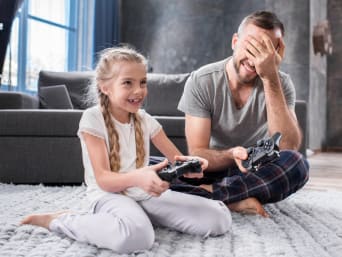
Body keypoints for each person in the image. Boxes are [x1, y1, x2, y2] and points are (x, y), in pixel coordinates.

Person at [20, 46, 232, 254]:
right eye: (128, 83)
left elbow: (176, 158)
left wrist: (191, 165)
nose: (138, 91)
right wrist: (138, 177)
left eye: (143, 82)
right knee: (137, 238)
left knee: (219, 219)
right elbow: (103, 180)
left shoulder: (145, 120)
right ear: (105, 87)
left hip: (143, 195)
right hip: (108, 195)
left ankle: (139, 216)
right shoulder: (93, 119)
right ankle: (60, 220)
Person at [176, 11, 309, 217]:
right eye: (252, 46)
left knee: (297, 164)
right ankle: (234, 198)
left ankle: (208, 196)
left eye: (265, 51)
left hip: (256, 172)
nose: (255, 59)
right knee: (153, 169)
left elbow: (288, 146)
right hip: (213, 170)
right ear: (235, 42)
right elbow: (198, 153)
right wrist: (232, 155)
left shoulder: (279, 82)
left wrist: (270, 77)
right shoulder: (201, 81)